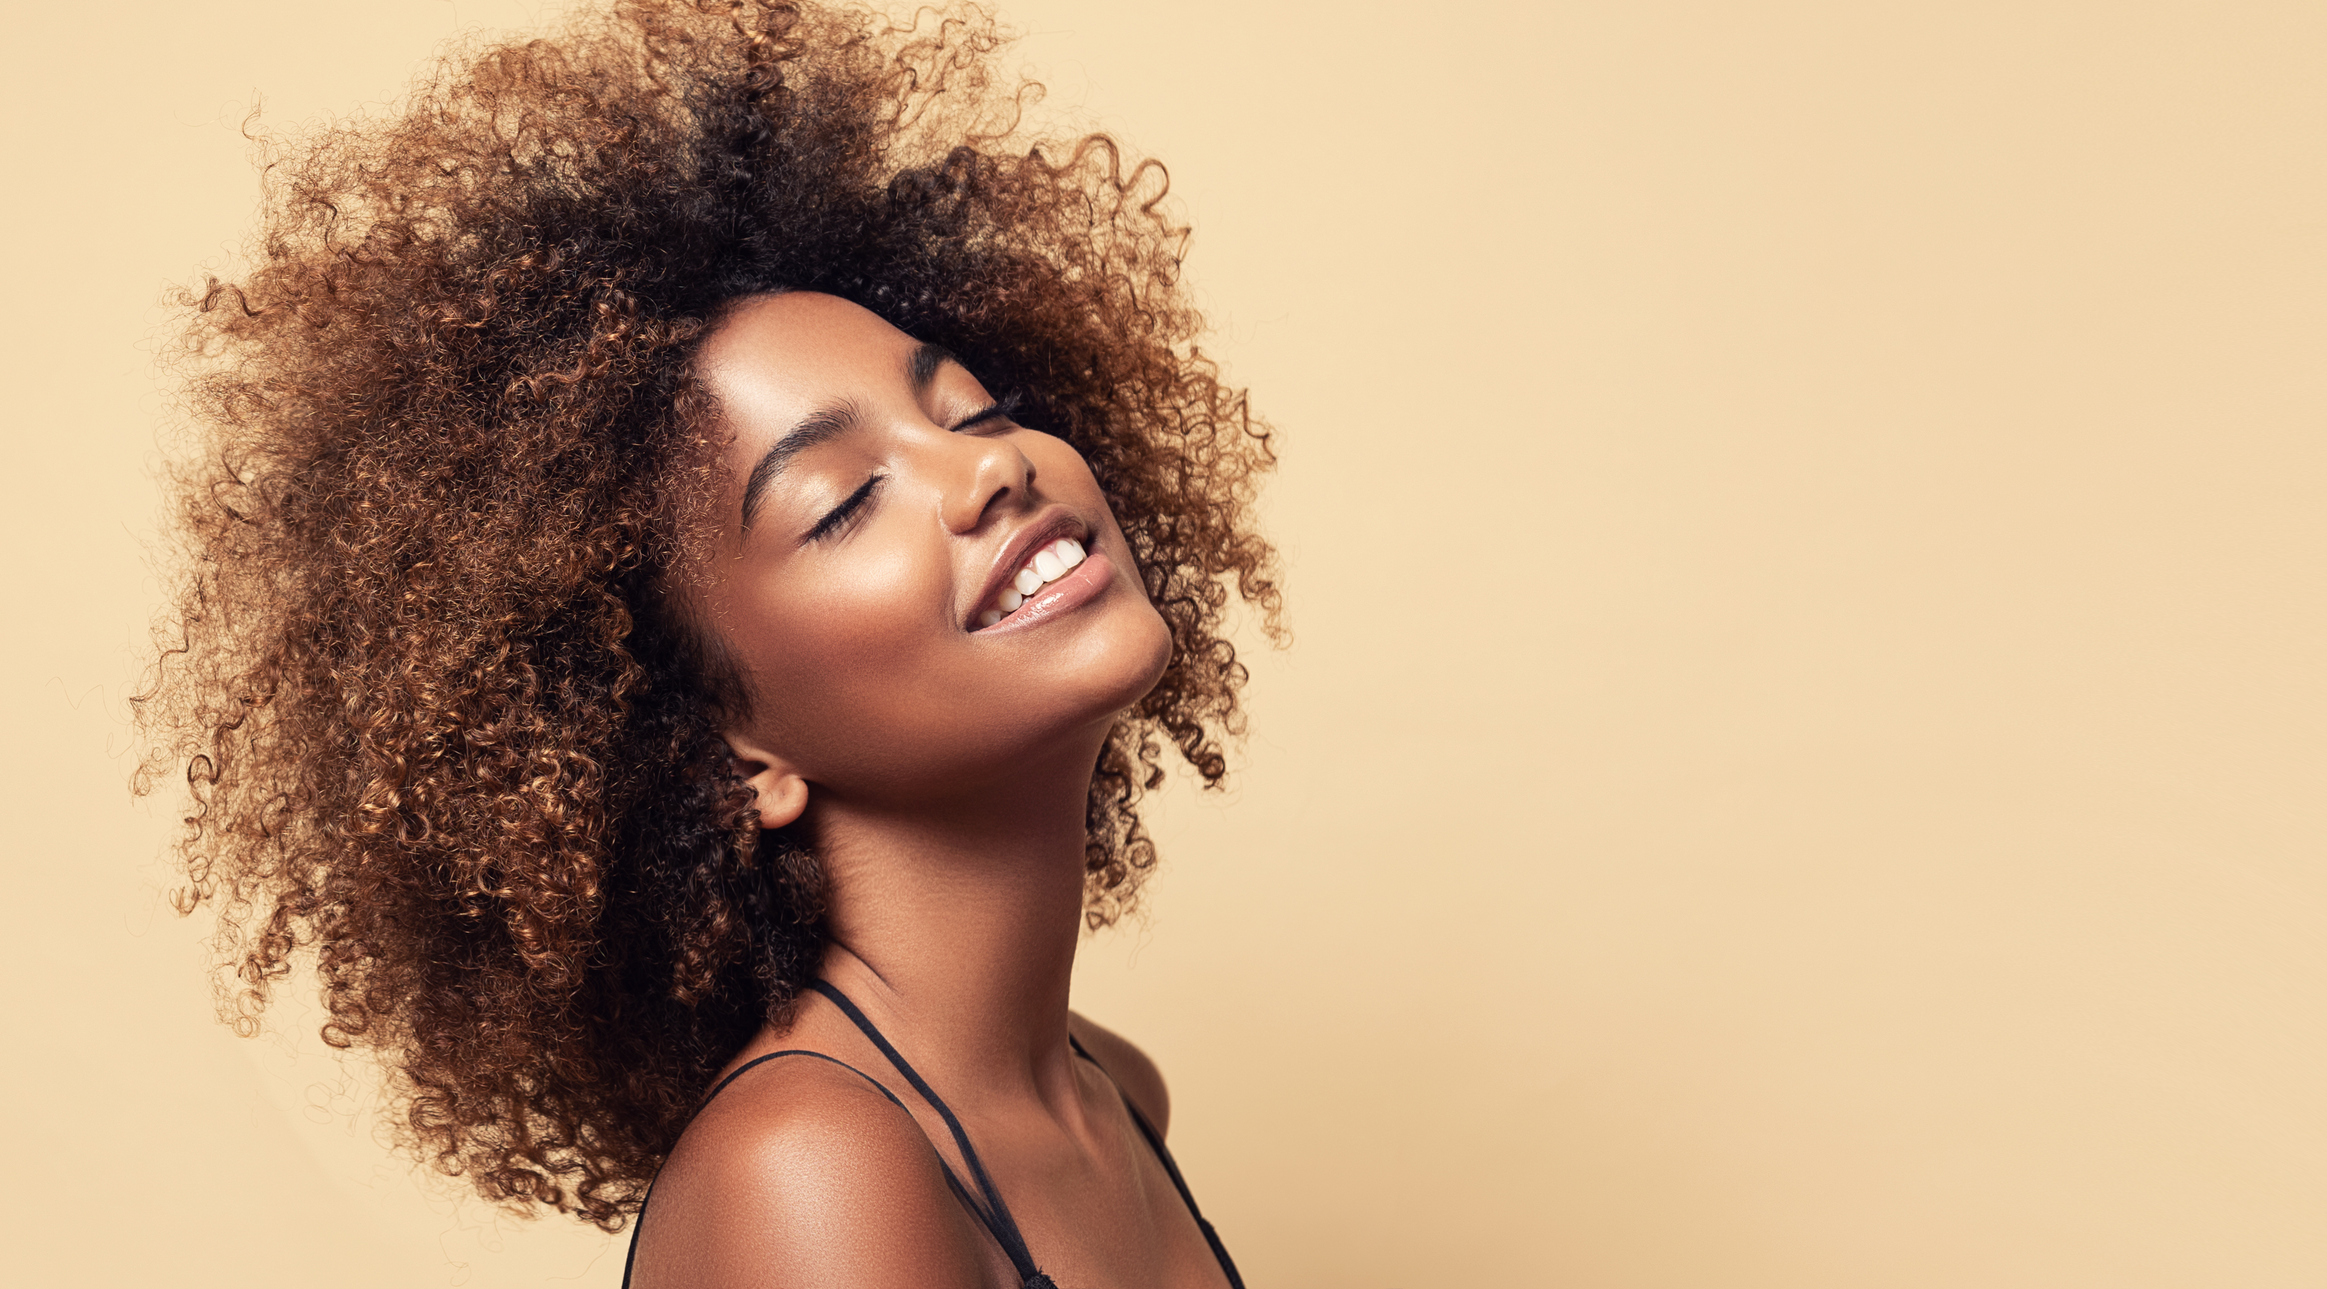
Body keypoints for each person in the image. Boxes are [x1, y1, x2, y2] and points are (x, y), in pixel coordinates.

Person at [136, 2, 1278, 1285]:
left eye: (971, 406)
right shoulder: (812, 1172)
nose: (988, 468)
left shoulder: (1111, 1090)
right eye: (842, 502)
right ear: (730, 752)